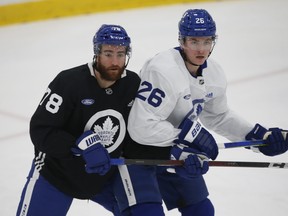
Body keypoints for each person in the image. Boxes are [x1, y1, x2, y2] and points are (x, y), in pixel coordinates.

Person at [113, 9, 288, 216]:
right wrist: (188, 138)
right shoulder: (163, 69)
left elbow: (218, 116)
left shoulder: (214, 72)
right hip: (138, 154)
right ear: (182, 41)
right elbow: (141, 126)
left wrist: (257, 137)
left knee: (202, 211)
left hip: (176, 153)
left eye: (207, 41)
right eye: (194, 41)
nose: (201, 49)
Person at [16, 24, 140, 216]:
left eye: (121, 54)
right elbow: (41, 130)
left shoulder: (133, 84)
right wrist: (77, 145)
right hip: (57, 174)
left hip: (105, 174)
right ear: (96, 53)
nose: (115, 61)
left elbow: (142, 130)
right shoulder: (68, 82)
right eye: (108, 54)